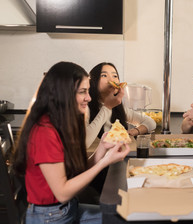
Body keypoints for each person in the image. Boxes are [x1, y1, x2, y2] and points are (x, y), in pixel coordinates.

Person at [12, 61, 130, 224]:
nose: (88, 98)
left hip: (67, 209)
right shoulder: (44, 132)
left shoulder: (62, 122)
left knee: (124, 217)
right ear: (64, 94)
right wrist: (104, 162)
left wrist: (102, 149)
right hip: (50, 217)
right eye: (83, 92)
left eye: (88, 91)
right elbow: (62, 192)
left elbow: (77, 171)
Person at [86, 62, 156, 148]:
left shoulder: (118, 107)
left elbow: (151, 123)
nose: (111, 80)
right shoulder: (85, 107)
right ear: (92, 81)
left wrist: (133, 131)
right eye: (104, 75)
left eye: (115, 76)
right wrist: (107, 107)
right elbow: (85, 142)